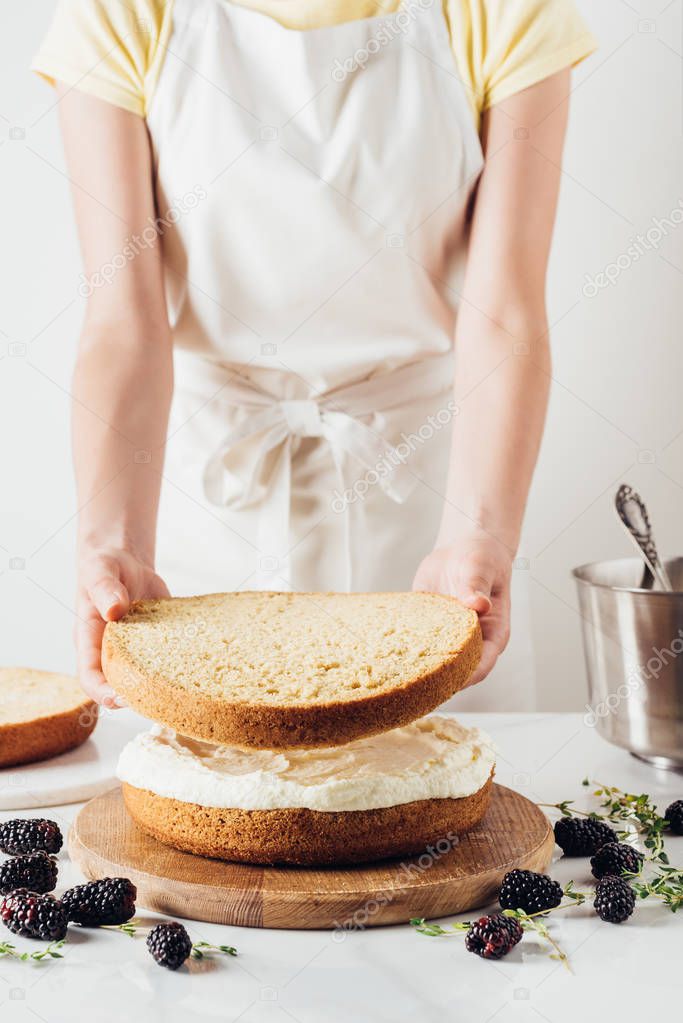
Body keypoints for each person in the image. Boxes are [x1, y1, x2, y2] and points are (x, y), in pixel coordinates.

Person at [32, 0, 596, 710]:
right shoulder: (117, 12)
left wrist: (474, 538)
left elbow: (505, 312)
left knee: (440, 794)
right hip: (203, 527)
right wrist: (113, 545)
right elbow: (123, 323)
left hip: (431, 525)